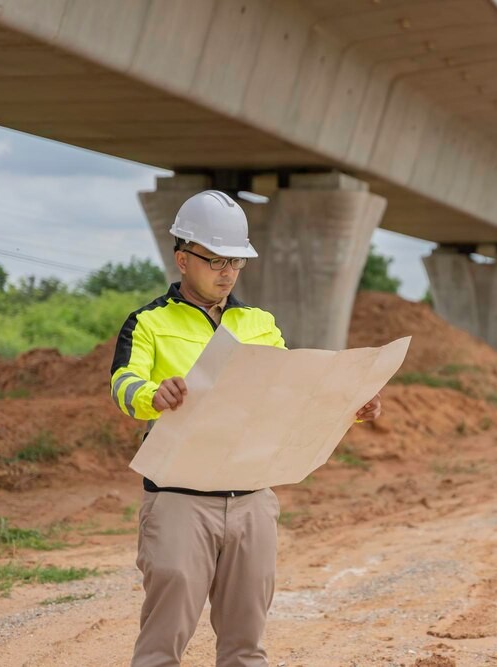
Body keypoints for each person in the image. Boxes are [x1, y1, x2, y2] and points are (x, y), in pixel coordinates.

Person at [109, 190, 382, 666]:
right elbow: (122, 382)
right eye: (214, 260)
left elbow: (293, 389)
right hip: (178, 497)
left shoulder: (259, 324)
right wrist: (153, 395)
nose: (226, 272)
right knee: (162, 642)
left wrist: (348, 403)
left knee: (245, 645)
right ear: (182, 258)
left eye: (235, 261)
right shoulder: (149, 323)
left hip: (252, 497)